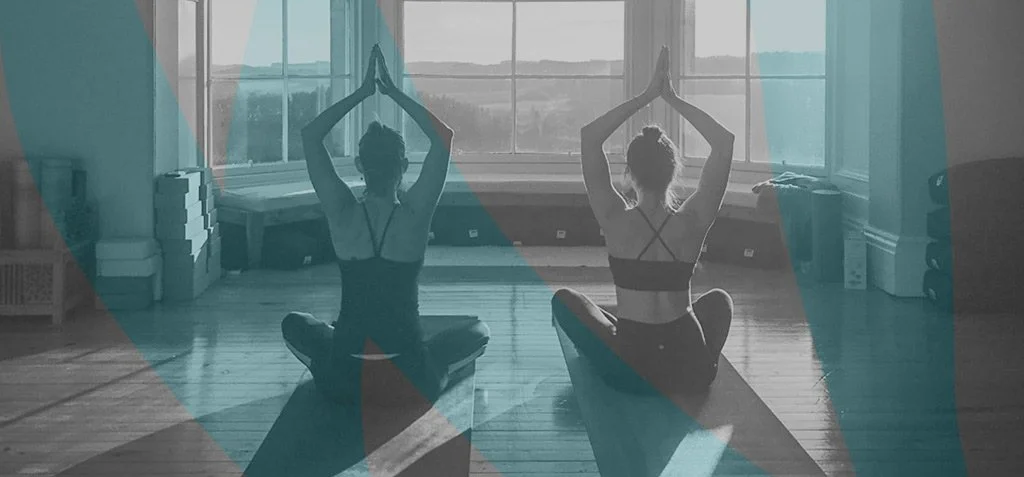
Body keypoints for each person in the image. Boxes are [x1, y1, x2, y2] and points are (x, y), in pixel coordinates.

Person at [282, 45, 489, 405]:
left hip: (343, 377)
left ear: (360, 166)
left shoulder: (342, 212)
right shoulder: (415, 214)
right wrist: (394, 93)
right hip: (410, 379)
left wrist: (362, 94)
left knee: (294, 324)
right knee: (478, 330)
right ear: (404, 166)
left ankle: (334, 361)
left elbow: (310, 136)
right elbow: (444, 138)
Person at [552, 46, 736, 395]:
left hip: (629, 371)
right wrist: (672, 99)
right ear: (674, 172)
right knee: (720, 301)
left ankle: (615, 339)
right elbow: (724, 143)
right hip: (689, 370)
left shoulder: (613, 218)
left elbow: (589, 138)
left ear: (629, 173)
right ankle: (705, 358)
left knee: (564, 300)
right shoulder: (694, 221)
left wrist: (646, 96)